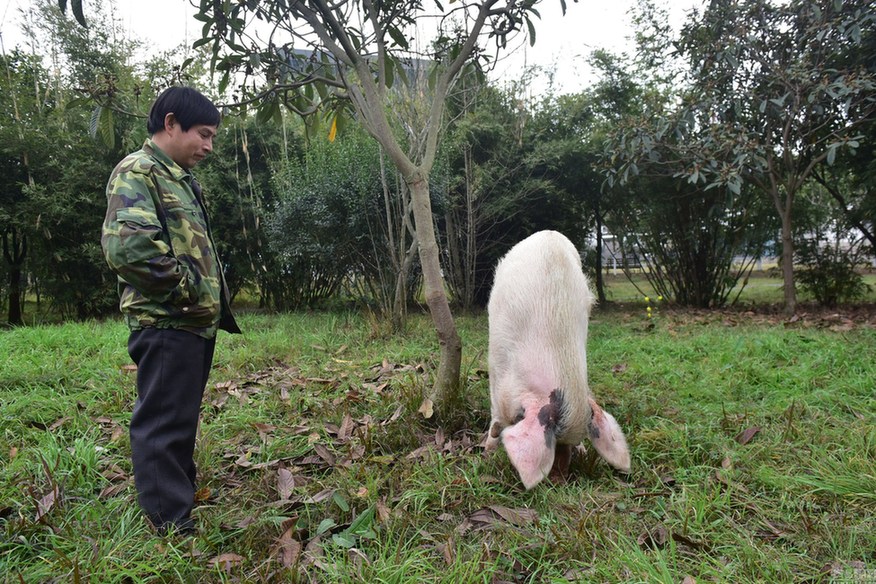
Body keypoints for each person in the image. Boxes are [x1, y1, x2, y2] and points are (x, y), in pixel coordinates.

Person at [101, 86, 241, 535]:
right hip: (167, 321)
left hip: (191, 322)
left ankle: (177, 497)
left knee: (180, 417)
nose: (208, 146)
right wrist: (191, 294)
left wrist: (202, 303)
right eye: (203, 134)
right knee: (162, 422)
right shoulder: (137, 172)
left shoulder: (176, 176)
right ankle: (169, 523)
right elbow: (131, 251)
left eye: (213, 137)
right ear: (170, 123)